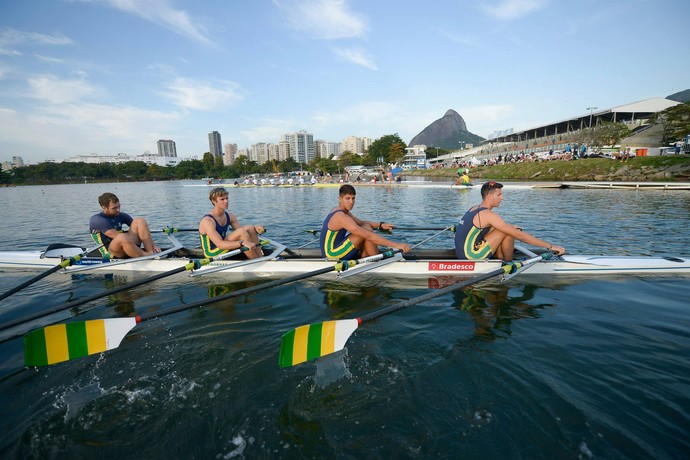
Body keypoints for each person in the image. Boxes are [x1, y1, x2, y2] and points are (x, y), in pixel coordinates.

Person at [454, 181, 565, 261]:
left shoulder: (474, 208)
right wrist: (550, 246)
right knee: (511, 230)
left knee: (509, 228)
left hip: (463, 254)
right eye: (499, 195)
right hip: (472, 256)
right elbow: (519, 236)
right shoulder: (488, 214)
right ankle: (508, 262)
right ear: (489, 197)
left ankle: (501, 257)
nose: (502, 198)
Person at [320, 184, 411, 260]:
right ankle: (375, 260)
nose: (351, 202)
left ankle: (367, 255)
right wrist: (397, 245)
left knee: (366, 227)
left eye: (353, 198)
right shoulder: (340, 216)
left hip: (338, 247)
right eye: (347, 198)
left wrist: (380, 225)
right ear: (340, 198)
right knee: (366, 231)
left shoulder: (342, 211)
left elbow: (361, 222)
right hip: (332, 254)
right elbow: (368, 235)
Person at [198, 187, 265, 259]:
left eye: (227, 198)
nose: (226, 201)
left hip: (224, 245)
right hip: (212, 252)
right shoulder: (208, 221)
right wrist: (241, 243)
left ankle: (260, 258)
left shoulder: (230, 216)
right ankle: (255, 261)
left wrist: (255, 228)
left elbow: (244, 232)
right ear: (213, 201)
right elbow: (220, 244)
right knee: (241, 232)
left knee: (250, 228)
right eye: (222, 199)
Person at [89, 192, 161, 258]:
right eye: (114, 208)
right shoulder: (97, 220)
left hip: (127, 246)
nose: (118, 210)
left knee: (140, 221)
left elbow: (142, 230)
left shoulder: (120, 215)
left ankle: (151, 251)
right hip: (111, 252)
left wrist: (154, 244)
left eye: (119, 206)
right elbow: (117, 236)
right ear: (104, 207)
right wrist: (128, 235)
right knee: (121, 236)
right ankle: (146, 256)